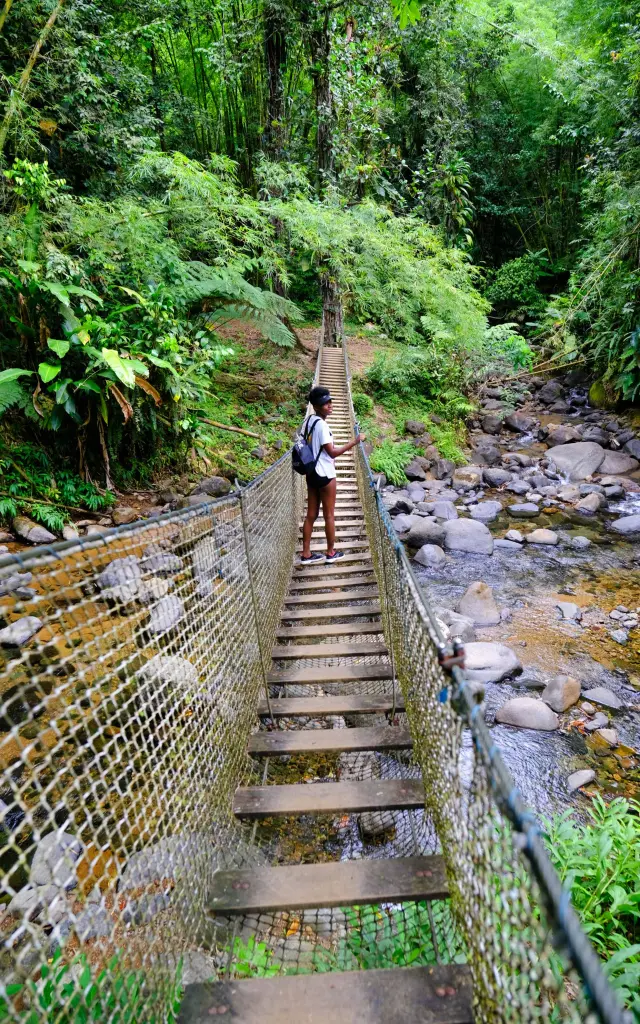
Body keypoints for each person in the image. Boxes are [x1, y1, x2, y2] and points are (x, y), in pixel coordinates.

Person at [300, 385, 365, 563]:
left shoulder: (308, 422)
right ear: (316, 405)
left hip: (311, 473)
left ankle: (306, 554)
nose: (329, 405)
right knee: (329, 515)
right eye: (325, 403)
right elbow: (332, 453)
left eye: (330, 401)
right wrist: (355, 441)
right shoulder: (321, 426)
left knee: (311, 514)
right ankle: (330, 553)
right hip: (325, 474)